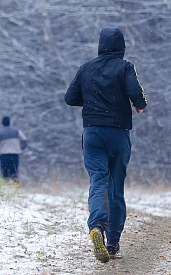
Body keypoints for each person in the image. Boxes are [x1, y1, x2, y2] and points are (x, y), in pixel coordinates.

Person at [65, 27, 147, 263]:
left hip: (92, 133)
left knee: (98, 179)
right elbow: (137, 94)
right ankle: (112, 242)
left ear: (100, 45)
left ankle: (96, 227)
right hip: (118, 133)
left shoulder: (86, 67)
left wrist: (92, 102)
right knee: (115, 186)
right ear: (121, 47)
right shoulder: (125, 67)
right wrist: (138, 104)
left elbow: (70, 97)